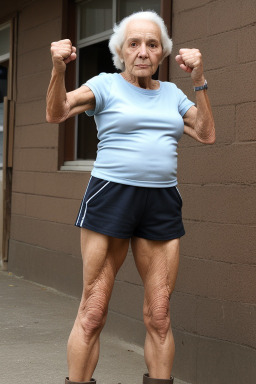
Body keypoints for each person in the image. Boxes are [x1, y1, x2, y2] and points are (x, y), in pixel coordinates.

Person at [46, 10, 215, 384]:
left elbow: (205, 133)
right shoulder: (105, 85)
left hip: (161, 202)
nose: (142, 52)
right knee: (93, 311)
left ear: (162, 54)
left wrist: (199, 80)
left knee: (159, 315)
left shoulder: (172, 93)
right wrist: (58, 69)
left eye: (152, 45)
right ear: (121, 51)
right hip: (111, 196)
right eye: (134, 44)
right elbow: (57, 113)